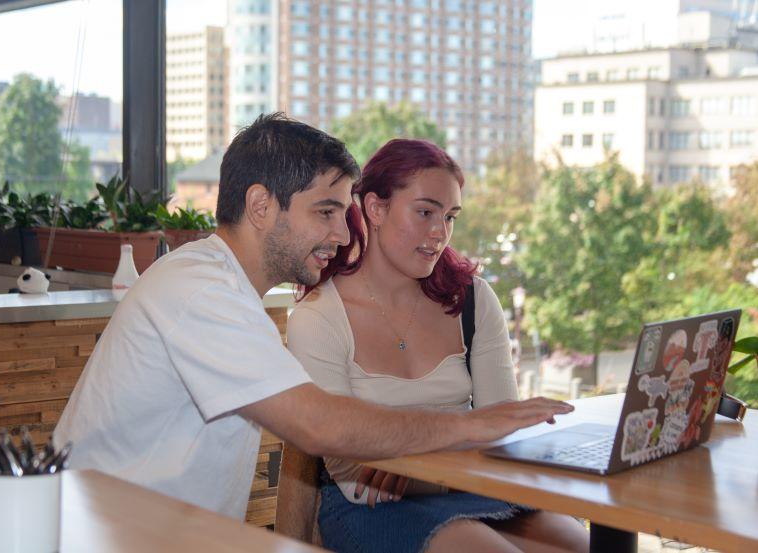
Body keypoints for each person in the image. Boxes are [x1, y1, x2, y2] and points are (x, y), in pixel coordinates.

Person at [53, 114, 572, 524]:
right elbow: (319, 426)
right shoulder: (199, 290)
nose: (343, 236)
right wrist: (471, 424)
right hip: (109, 537)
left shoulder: (230, 293)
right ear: (260, 206)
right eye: (325, 212)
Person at [287, 139, 589, 553]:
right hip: (373, 510)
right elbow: (353, 472)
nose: (439, 233)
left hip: (480, 485)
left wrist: (414, 468)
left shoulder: (473, 301)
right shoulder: (319, 315)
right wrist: (455, 451)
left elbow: (500, 437)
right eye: (425, 212)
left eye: (450, 217)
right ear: (375, 209)